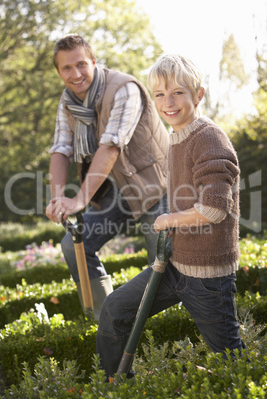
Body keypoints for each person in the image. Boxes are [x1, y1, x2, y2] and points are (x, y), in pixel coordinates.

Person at [96, 54, 247, 378]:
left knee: (232, 361)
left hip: (208, 276)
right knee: (115, 309)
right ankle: (114, 386)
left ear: (199, 95)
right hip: (176, 267)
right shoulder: (177, 138)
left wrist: (167, 220)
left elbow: (214, 208)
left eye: (178, 92)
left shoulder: (208, 137)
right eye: (161, 94)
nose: (169, 102)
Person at [45, 34, 169, 320]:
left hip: (156, 185)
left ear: (94, 62)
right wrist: (58, 199)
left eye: (81, 65)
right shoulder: (67, 102)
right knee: (73, 244)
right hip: (116, 188)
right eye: (67, 68)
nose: (75, 74)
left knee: (161, 264)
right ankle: (107, 323)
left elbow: (111, 145)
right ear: (58, 71)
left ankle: (165, 330)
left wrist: (79, 200)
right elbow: (61, 149)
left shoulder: (124, 89)